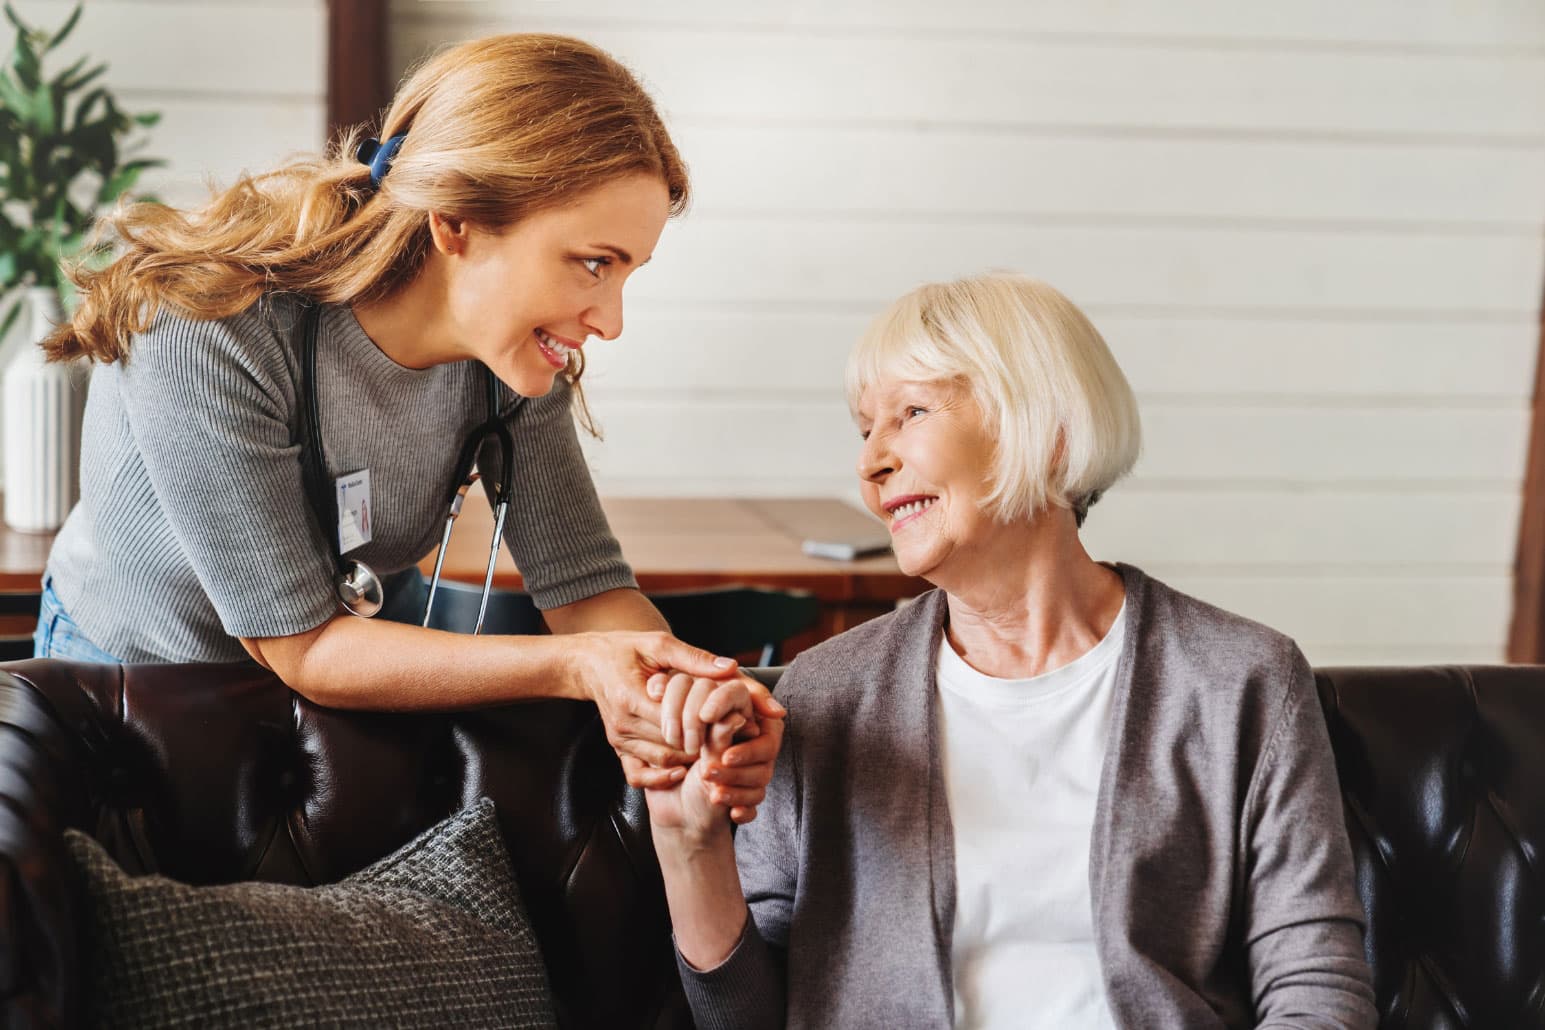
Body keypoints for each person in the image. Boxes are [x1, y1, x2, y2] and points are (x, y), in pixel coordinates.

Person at [32, 33, 783, 809]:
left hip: (335, 689)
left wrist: (693, 700)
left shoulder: (510, 361)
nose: (612, 321)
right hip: (130, 688)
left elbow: (588, 589)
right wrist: (576, 667)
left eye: (628, 271)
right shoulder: (207, 326)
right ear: (455, 222)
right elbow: (305, 646)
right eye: (593, 263)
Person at [643, 272, 1377, 1028]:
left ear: (1049, 429)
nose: (871, 462)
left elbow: (1315, 986)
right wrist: (689, 846)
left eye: (911, 413)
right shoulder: (826, 692)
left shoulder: (1239, 680)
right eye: (865, 428)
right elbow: (745, 1020)